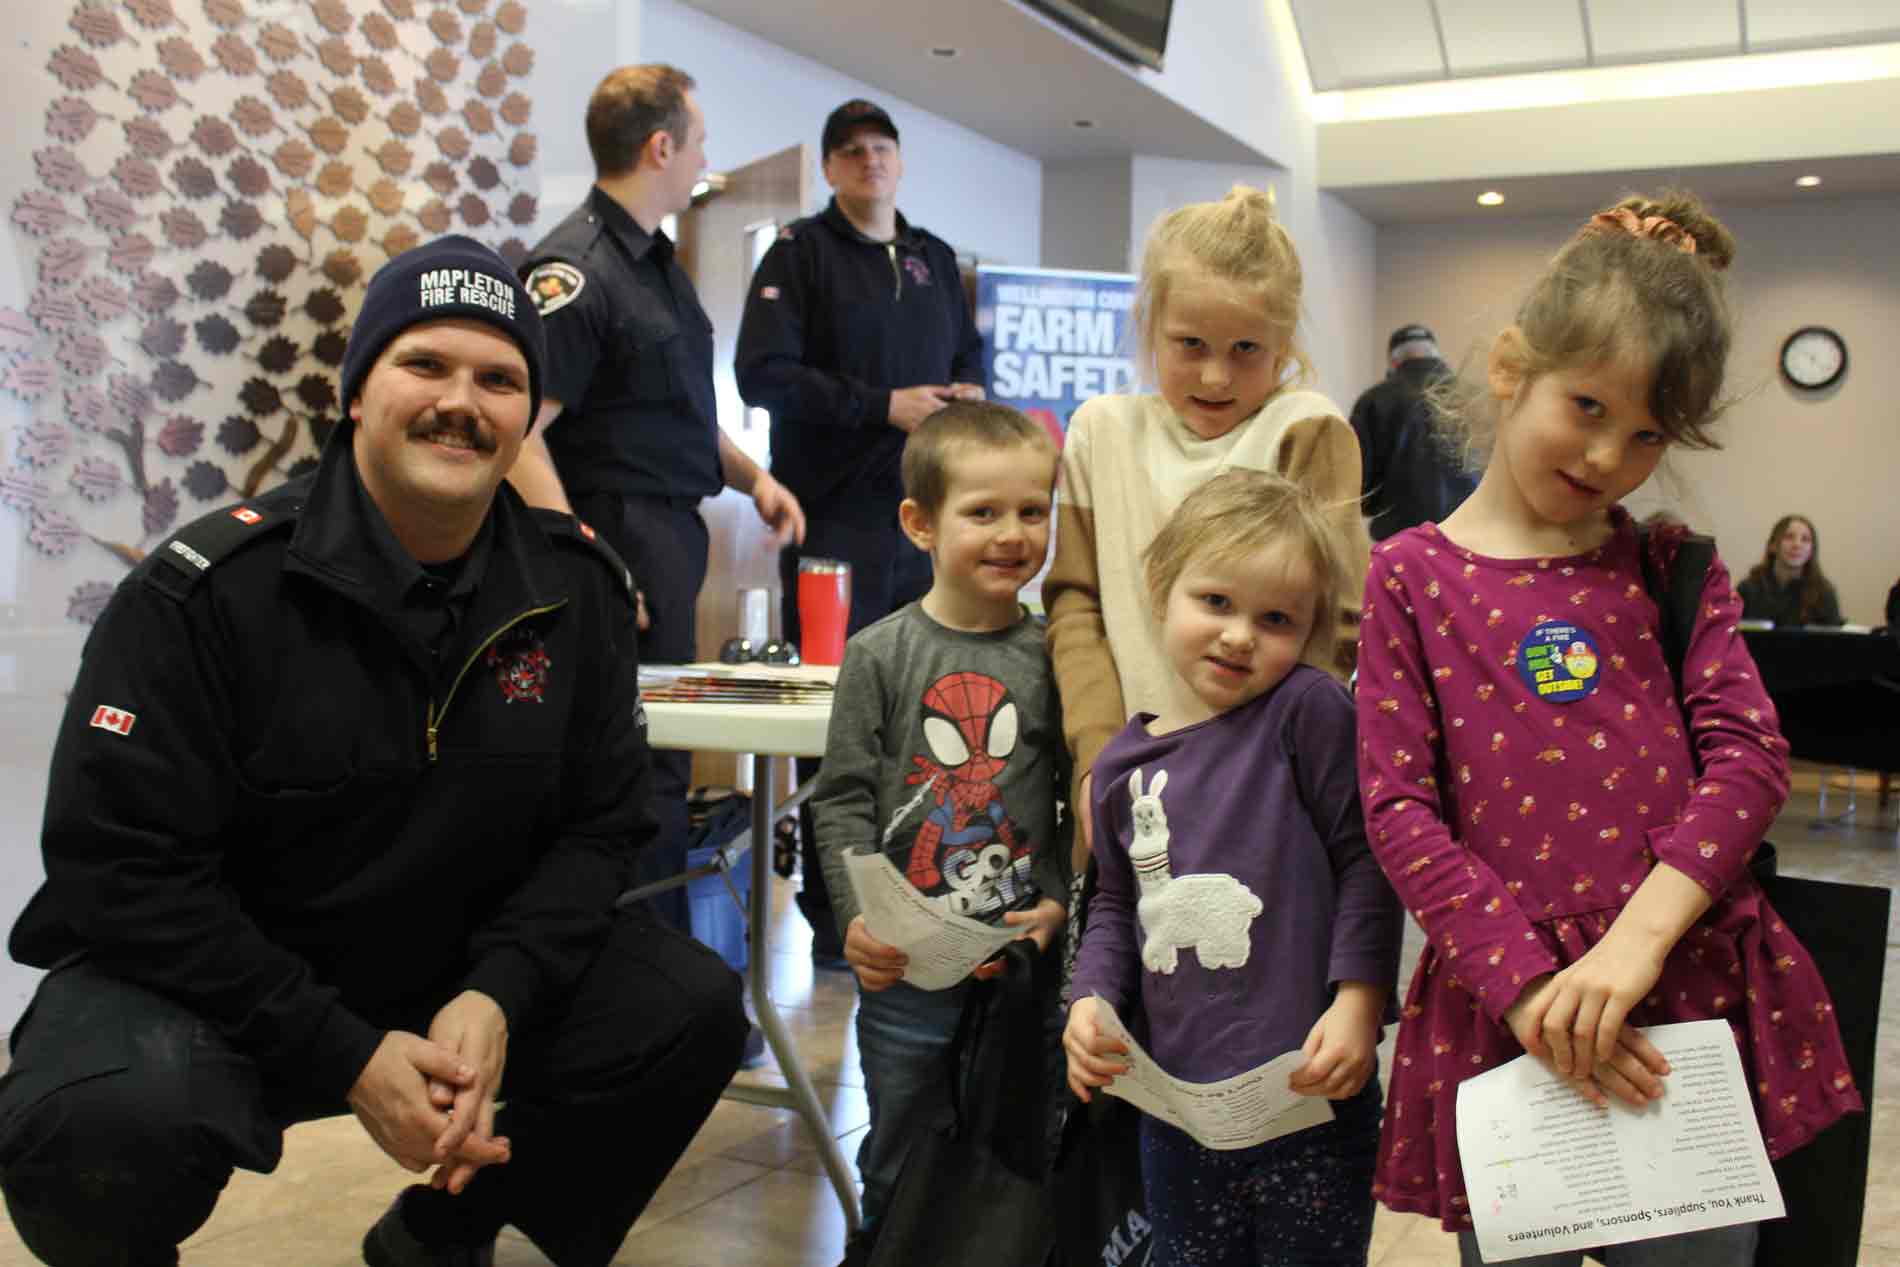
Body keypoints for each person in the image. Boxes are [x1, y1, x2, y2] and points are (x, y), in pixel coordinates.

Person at [0, 236, 749, 1267]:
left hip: (445, 964)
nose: (462, 401)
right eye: (425, 364)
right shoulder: (204, 591)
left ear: (526, 418)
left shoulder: (574, 591)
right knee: (91, 1123)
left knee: (686, 1009)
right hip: (219, 979)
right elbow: (118, 868)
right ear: (358, 392)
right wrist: (340, 1050)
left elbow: (600, 825)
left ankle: (440, 1237)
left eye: (499, 379)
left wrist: (500, 990)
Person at [1355, 193, 1861, 1265]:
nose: (1606, 456)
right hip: (1506, 1012)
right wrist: (1530, 987)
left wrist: (1635, 946)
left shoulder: (1671, 565)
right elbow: (1399, 807)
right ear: (1509, 366)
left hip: (1681, 1001)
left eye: (1644, 435)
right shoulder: (1407, 578)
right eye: (1585, 406)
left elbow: (1749, 755)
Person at [1062, 471, 1402, 1267]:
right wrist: (1087, 1000)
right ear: (1161, 589)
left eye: (1276, 618)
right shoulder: (1119, 765)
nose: (1241, 635)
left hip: (1310, 1099)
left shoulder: (1309, 711)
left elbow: (1368, 860)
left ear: (1310, 627)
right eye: (1216, 601)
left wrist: (1359, 1001)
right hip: (1178, 1110)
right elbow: (1117, 903)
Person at [512, 64, 805, 935]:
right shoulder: (575, 267)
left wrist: (756, 480)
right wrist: (587, 559)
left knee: (663, 766)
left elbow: (673, 409)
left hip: (668, 535)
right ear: (661, 146)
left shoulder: (656, 264)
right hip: (614, 534)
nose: (704, 159)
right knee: (627, 771)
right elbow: (521, 436)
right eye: (700, 143)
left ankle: (663, 974)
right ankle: (633, 973)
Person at [811, 402, 1071, 1266]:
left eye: (1033, 511)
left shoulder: (1056, 655)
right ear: (921, 523)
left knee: (1015, 1157)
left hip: (1019, 975)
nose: (1012, 534)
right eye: (984, 512)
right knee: (898, 1154)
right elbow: (840, 798)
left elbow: (1076, 800)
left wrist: (1059, 900)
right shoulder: (878, 655)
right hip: (907, 981)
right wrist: (855, 918)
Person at [1045, 185, 1371, 874]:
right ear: (1149, 323)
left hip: (1262, 801)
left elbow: (1333, 630)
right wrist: (1096, 754)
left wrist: (1252, 773)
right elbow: (1076, 608)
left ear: (1284, 346)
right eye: (1189, 344)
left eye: (1247, 349)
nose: (1216, 375)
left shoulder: (1306, 428)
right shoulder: (1099, 431)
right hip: (1121, 786)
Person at [736, 97, 985, 961]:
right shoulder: (799, 256)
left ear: (900, 161)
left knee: (923, 721)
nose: (870, 162)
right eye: (852, 151)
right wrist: (881, 407)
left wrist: (965, 398)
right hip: (833, 523)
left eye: (883, 148)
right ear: (831, 168)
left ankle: (918, 898)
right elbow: (761, 375)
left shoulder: (935, 258)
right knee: (838, 729)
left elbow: (967, 363)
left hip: (927, 524)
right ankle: (835, 917)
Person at [1348, 322, 1477, 540]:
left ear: (1394, 361)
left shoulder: (1373, 402)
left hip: (1400, 546)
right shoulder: (1477, 398)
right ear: (1435, 354)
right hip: (1472, 543)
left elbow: (1358, 491)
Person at [1737, 513, 1845, 626]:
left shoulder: (1824, 593)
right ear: (1772, 545)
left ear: (1811, 551)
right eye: (1789, 537)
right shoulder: (1748, 589)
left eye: (1805, 539)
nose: (1797, 545)